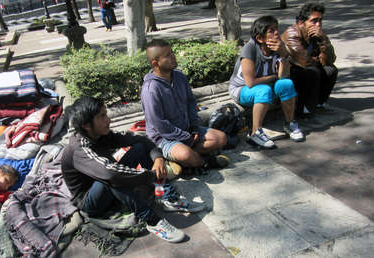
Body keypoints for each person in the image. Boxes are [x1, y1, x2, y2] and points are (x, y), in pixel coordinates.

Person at [61, 96, 204, 243]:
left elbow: (142, 139)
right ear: (86, 125)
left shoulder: (101, 135)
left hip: (108, 179)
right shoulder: (79, 148)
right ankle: (153, 221)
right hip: (90, 202)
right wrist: (150, 175)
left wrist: (158, 158)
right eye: (102, 116)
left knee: (139, 149)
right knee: (113, 178)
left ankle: (169, 198)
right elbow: (111, 174)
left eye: (106, 114)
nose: (108, 120)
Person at [141, 39, 229, 172]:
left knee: (221, 138)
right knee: (186, 154)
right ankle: (203, 162)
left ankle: (182, 161)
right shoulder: (151, 89)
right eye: (168, 55)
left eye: (172, 53)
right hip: (164, 138)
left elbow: (191, 103)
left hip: (188, 131)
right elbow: (160, 124)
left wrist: (194, 127)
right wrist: (185, 137)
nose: (173, 57)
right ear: (155, 63)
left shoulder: (179, 77)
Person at [228, 16, 304, 148]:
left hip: (266, 85)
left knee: (287, 84)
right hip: (241, 89)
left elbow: (282, 76)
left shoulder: (277, 47)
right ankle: (255, 133)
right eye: (271, 31)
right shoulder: (250, 49)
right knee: (264, 90)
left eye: (276, 29)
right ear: (260, 38)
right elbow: (250, 82)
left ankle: (290, 123)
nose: (276, 33)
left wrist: (283, 55)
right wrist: (272, 77)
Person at [281, 2, 337, 116]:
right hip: (290, 71)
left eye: (320, 20)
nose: (318, 24)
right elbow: (304, 62)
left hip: (306, 68)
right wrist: (319, 59)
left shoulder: (316, 35)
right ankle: (302, 109)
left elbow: (330, 60)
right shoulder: (292, 34)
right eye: (314, 21)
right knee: (312, 71)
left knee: (331, 70)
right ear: (301, 22)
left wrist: (324, 40)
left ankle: (319, 104)